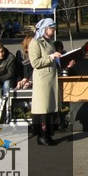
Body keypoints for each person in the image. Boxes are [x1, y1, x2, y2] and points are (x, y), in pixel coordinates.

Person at [29, 18, 62, 146]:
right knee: (43, 109)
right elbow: (35, 62)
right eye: (51, 28)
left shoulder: (50, 42)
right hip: (42, 80)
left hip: (51, 79)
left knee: (49, 110)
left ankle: (48, 134)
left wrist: (63, 62)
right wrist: (51, 57)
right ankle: (42, 135)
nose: (53, 31)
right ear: (45, 28)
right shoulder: (35, 42)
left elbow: (53, 60)